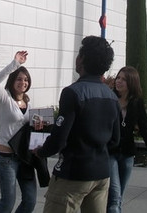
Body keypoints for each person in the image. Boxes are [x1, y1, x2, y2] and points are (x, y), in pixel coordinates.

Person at [34, 36, 120, 213]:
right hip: (101, 174)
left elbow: (59, 139)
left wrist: (41, 151)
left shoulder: (73, 93)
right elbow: (115, 140)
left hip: (73, 173)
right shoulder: (112, 96)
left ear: (82, 60)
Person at [107, 66, 147, 213]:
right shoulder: (109, 99)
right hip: (110, 152)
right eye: (118, 78)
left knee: (119, 196)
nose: (119, 81)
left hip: (127, 154)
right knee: (115, 196)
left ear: (132, 82)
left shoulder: (136, 102)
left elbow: (144, 128)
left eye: (123, 79)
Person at [0, 50, 37, 213]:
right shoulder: (5, 98)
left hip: (24, 157)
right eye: (19, 79)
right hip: (6, 158)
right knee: (7, 203)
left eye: (26, 80)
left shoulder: (28, 103)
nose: (23, 82)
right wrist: (15, 63)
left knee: (30, 201)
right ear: (12, 81)